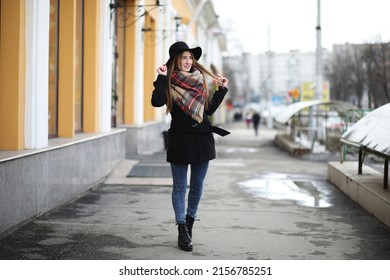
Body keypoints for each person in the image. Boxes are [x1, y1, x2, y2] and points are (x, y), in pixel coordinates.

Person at [151, 41, 229, 252]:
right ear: (176, 60)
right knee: (179, 187)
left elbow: (208, 110)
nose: (187, 61)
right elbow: (157, 102)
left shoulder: (199, 80)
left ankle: (190, 222)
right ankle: (182, 228)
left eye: (189, 58)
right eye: (183, 57)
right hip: (179, 139)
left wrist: (221, 90)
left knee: (197, 185)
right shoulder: (168, 82)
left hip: (202, 138)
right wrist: (161, 77)